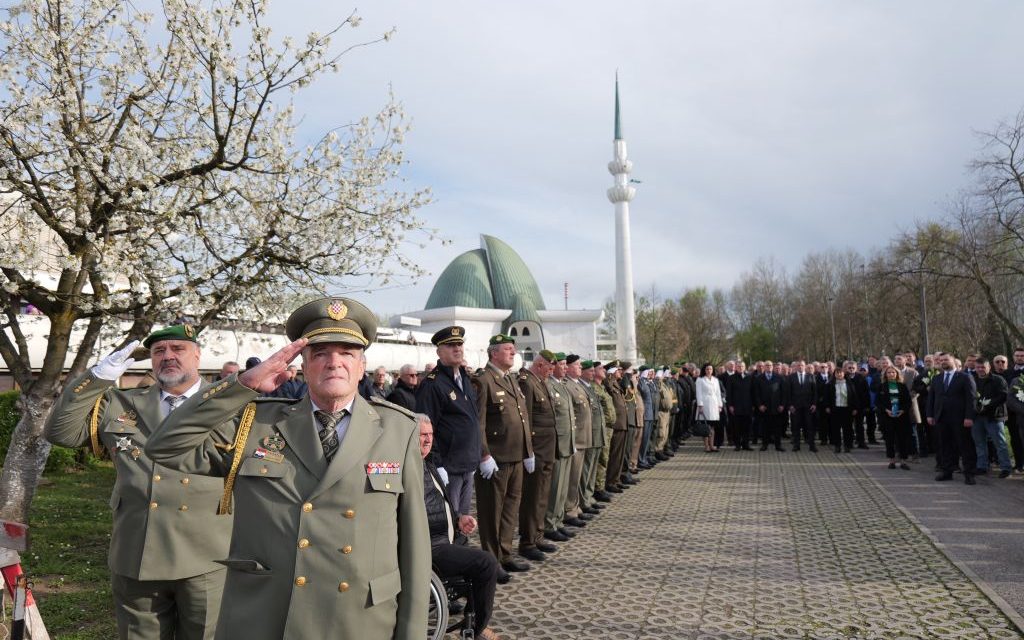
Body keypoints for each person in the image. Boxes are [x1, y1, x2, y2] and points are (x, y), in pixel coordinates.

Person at [146, 298, 430, 639]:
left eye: (346, 353)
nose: (334, 363)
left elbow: (414, 546)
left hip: (360, 618)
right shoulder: (256, 421)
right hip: (268, 615)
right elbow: (164, 446)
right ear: (303, 365)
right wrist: (243, 385)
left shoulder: (399, 428)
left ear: (362, 365)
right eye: (321, 353)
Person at [45, 324, 231, 640]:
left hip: (206, 553)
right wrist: (99, 376)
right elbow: (60, 432)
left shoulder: (229, 402)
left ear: (198, 355)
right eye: (159, 351)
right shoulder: (120, 402)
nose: (168, 357)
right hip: (138, 551)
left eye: (178, 349)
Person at [418, 414, 501, 640]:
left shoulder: (429, 465)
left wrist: (458, 519)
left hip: (445, 538)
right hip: (430, 547)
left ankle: (473, 621)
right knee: (486, 564)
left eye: (430, 435)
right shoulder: (408, 470)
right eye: (422, 435)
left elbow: (437, 506)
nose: (427, 440)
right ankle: (478, 630)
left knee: (480, 564)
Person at [472, 334, 532, 576]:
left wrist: (528, 451)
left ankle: (505, 552)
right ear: (493, 353)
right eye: (508, 349)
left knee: (510, 509)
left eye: (513, 349)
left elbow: (522, 417)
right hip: (495, 459)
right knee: (491, 511)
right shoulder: (483, 380)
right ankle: (491, 559)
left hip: (516, 455)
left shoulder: (511, 379)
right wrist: (484, 455)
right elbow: (477, 423)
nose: (513, 353)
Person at [416, 326, 481, 520]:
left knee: (463, 519)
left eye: (460, 344)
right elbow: (425, 428)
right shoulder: (433, 384)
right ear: (439, 351)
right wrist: (437, 464)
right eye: (451, 345)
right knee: (448, 520)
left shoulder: (464, 379)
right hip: (448, 466)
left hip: (466, 463)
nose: (457, 349)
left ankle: (461, 547)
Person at [516, 350, 561, 560]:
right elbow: (528, 420)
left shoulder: (540, 381)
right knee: (532, 497)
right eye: (549, 367)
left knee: (542, 496)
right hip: (537, 450)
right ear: (540, 364)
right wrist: (529, 451)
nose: (551, 371)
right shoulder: (527, 381)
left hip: (547, 449)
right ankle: (527, 541)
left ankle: (538, 535)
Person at [928, 352, 979, 485]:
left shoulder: (965, 377)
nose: (943, 362)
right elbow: (932, 398)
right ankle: (947, 471)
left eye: (946, 359)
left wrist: (969, 416)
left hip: (960, 418)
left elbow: (971, 398)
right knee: (945, 446)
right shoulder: (937, 378)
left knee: (965, 446)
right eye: (941, 360)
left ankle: (969, 473)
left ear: (953, 361)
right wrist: (930, 415)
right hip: (941, 418)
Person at [971, 358, 1012, 478]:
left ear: (989, 367)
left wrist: (987, 405)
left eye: (983, 367)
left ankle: (1006, 467)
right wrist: (977, 407)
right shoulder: (972, 380)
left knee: (1000, 443)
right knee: (979, 443)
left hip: (994, 416)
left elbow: (1003, 396)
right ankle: (982, 466)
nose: (980, 369)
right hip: (977, 417)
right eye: (978, 367)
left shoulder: (998, 380)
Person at [877, 366, 913, 470]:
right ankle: (892, 460)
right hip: (887, 417)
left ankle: (903, 461)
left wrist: (902, 410)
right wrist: (886, 410)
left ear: (897, 374)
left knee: (902, 439)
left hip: (901, 417)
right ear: (885, 375)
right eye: (889, 372)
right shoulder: (882, 387)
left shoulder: (902, 386)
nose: (891, 374)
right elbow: (878, 402)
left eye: (893, 372)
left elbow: (908, 401)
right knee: (889, 439)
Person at [753, 361, 788, 452]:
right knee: (765, 428)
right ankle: (765, 445)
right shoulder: (759, 378)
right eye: (767, 365)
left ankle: (778, 445)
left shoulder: (779, 377)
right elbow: (756, 394)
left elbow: (784, 393)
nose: (769, 367)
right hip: (765, 408)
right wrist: (760, 405)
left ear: (773, 367)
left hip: (777, 408)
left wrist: (782, 405)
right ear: (764, 367)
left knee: (777, 428)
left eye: (770, 365)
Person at [823, 367, 858, 453]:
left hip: (847, 409)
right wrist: (827, 406)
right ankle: (837, 446)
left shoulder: (849, 384)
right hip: (835, 409)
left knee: (847, 428)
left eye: (841, 373)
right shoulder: (830, 384)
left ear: (844, 374)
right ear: (834, 374)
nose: (839, 374)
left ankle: (847, 445)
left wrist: (855, 408)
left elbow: (854, 397)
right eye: (837, 373)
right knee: (835, 428)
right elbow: (826, 397)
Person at [787, 360, 818, 452]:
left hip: (808, 406)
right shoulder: (791, 377)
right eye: (798, 365)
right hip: (795, 407)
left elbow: (815, 392)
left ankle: (812, 446)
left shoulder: (811, 376)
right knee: (796, 427)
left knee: (809, 426)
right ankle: (796, 445)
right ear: (796, 367)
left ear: (805, 366)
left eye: (802, 365)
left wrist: (814, 404)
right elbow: (788, 392)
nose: (800, 367)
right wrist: (790, 405)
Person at [695, 363, 724, 453]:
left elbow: (718, 393)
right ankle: (706, 446)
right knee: (706, 426)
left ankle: (712, 445)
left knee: (712, 427)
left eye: (710, 369)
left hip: (714, 404)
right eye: (707, 369)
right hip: (705, 404)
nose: (709, 371)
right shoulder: (700, 380)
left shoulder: (715, 380)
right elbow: (698, 393)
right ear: (704, 370)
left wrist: (720, 405)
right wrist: (700, 405)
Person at [726, 361, 754, 451]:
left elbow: (753, 392)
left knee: (747, 426)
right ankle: (737, 445)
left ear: (745, 367)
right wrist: (730, 405)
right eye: (739, 366)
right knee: (737, 427)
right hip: (736, 406)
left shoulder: (750, 377)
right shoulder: (731, 378)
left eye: (742, 366)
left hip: (748, 406)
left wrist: (753, 404)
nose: (740, 368)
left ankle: (746, 444)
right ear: (736, 368)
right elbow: (729, 393)